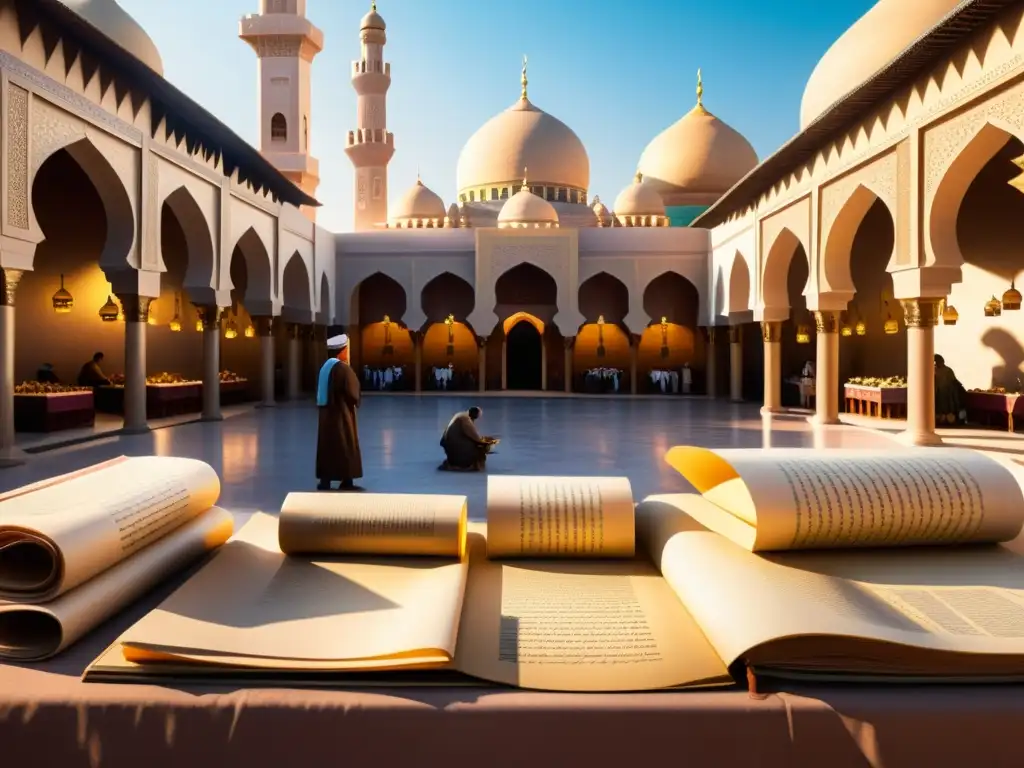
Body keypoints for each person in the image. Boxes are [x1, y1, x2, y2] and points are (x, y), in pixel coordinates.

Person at [315, 334, 363, 491]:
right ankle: (347, 478)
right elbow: (353, 391)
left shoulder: (325, 368)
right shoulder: (342, 368)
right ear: (341, 351)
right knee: (345, 444)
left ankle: (325, 480)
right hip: (341, 416)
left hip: (326, 416)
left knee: (327, 447)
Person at [439, 406, 492, 472]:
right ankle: (468, 464)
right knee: (482, 447)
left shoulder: (459, 415)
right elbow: (475, 437)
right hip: (455, 447)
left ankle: (455, 461)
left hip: (449, 445)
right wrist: (485, 443)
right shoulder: (465, 419)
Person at [934, 354, 966, 425]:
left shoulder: (948, 370)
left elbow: (953, 381)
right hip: (939, 393)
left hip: (947, 393)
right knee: (940, 408)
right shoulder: (935, 370)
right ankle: (942, 420)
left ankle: (947, 420)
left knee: (946, 408)